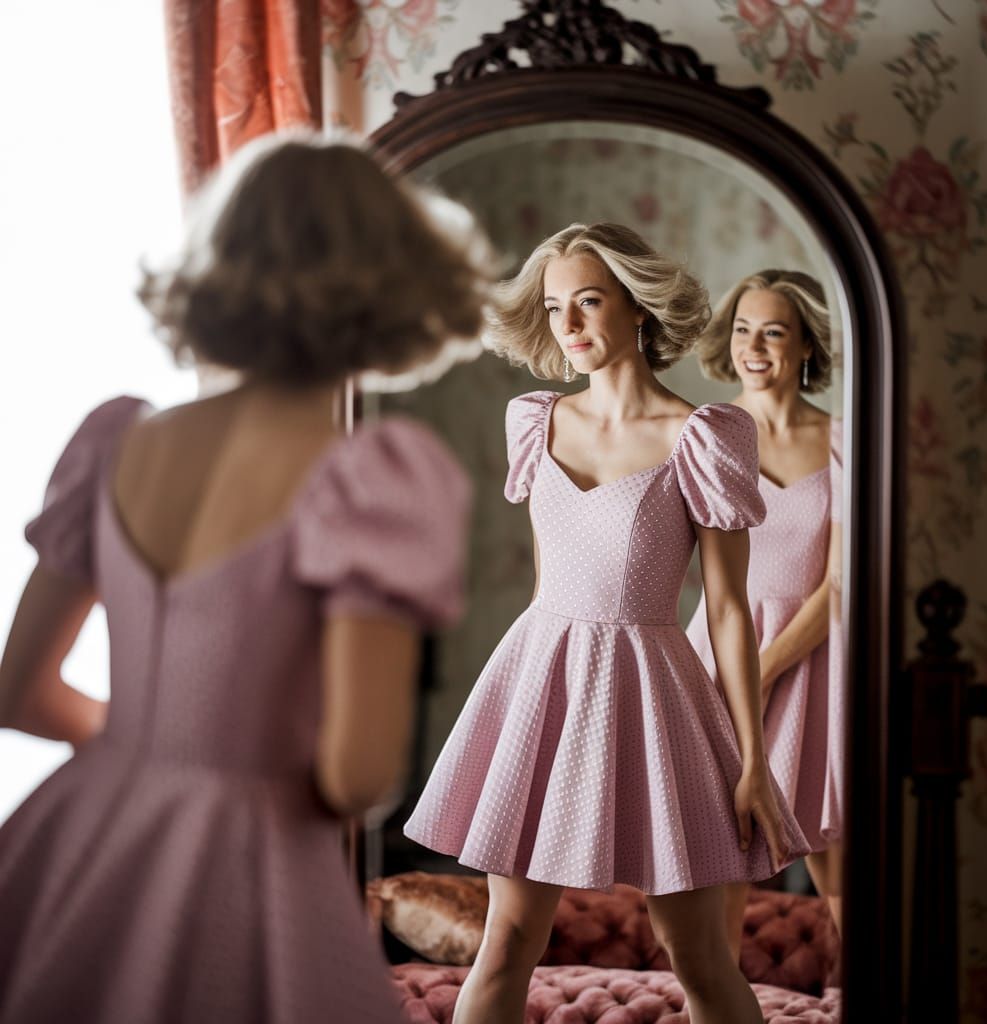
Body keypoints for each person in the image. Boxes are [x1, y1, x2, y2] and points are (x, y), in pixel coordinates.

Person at [0, 133, 490, 1023]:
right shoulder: (366, 477)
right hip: (244, 860)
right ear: (395, 284)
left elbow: (21, 694)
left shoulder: (115, 441)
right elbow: (357, 771)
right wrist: (222, 767)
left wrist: (155, 751)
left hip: (80, 835)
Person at [405, 223, 809, 1024]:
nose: (570, 327)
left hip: (659, 697)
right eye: (557, 310)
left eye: (588, 303)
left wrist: (754, 758)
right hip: (541, 681)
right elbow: (552, 577)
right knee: (510, 938)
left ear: (639, 309)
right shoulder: (535, 421)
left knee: (697, 954)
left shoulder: (705, 437)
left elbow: (726, 607)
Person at [685, 269, 843, 957]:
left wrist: (765, 666)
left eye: (773, 330)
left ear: (805, 343)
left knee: (838, 864)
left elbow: (839, 587)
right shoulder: (707, 435)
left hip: (815, 663)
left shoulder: (845, 441)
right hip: (714, 652)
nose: (754, 345)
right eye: (743, 328)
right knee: (720, 859)